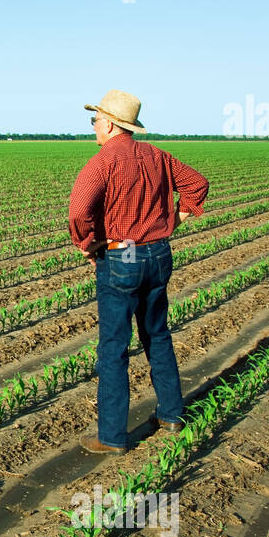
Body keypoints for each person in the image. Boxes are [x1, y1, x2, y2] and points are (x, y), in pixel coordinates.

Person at [67, 89, 209, 454]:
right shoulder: (157, 155)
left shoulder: (102, 162)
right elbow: (197, 184)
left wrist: (87, 243)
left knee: (114, 347)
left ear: (110, 124)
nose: (93, 127)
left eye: (94, 120)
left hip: (123, 258)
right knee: (157, 334)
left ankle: (112, 436)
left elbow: (79, 210)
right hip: (159, 254)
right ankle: (172, 415)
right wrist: (173, 220)